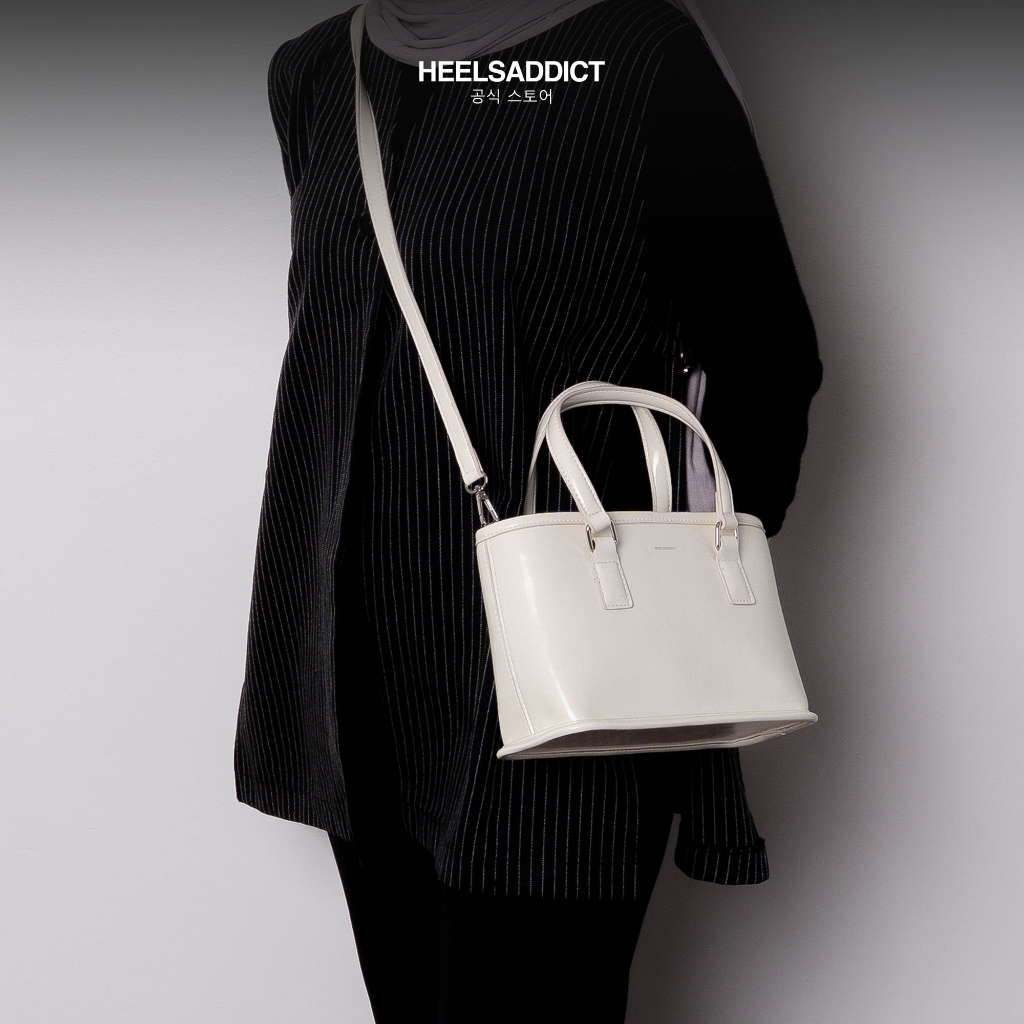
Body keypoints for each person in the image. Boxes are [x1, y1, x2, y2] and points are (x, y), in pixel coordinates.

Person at [233, 2, 824, 1019]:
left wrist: (672, 580)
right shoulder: (317, 70)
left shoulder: (639, 57)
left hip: (563, 669)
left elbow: (766, 355)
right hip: (354, 666)